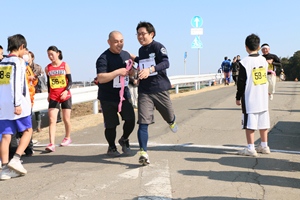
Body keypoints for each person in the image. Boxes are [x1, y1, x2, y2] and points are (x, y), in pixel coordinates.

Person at [131, 21, 178, 165]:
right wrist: (134, 60)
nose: (140, 36)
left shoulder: (158, 47)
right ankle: (143, 153)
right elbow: (143, 62)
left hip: (160, 89)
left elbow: (165, 63)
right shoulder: (141, 50)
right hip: (145, 91)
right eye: (138, 34)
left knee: (168, 116)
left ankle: (172, 120)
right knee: (143, 123)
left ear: (151, 34)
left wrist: (150, 70)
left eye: (143, 33)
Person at [96, 31, 135, 157]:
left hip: (124, 95)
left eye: (121, 41)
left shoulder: (126, 54)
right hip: (107, 96)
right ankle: (111, 147)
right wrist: (118, 72)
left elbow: (131, 71)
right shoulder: (103, 58)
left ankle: (124, 139)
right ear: (109, 42)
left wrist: (131, 73)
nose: (119, 44)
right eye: (116, 42)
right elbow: (101, 77)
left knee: (130, 119)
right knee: (111, 125)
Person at [0, 34, 33, 180]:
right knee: (27, 130)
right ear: (21, 47)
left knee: (6, 137)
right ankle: (16, 159)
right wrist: (17, 104)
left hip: (3, 105)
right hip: (17, 105)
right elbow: (16, 85)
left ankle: (5, 168)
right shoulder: (17, 62)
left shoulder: (2, 62)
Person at [235, 33, 270, 157]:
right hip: (263, 97)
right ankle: (264, 145)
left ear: (246, 47)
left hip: (250, 98)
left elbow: (241, 82)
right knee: (263, 121)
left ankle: (251, 148)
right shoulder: (264, 61)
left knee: (249, 124)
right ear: (259, 47)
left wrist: (238, 97)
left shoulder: (244, 62)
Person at [44, 46, 72, 152]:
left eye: (52, 54)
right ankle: (51, 143)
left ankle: (68, 137)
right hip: (54, 96)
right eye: (48, 55)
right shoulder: (47, 68)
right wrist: (48, 94)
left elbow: (70, 81)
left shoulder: (65, 65)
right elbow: (48, 83)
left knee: (66, 119)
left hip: (65, 95)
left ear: (58, 53)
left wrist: (66, 91)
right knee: (52, 120)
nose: (50, 57)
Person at [28, 51, 46, 132]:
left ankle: (38, 126)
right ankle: (29, 127)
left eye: (29, 56)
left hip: (36, 88)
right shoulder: (23, 66)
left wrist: (35, 77)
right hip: (27, 89)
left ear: (32, 58)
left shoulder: (37, 67)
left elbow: (42, 76)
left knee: (37, 109)